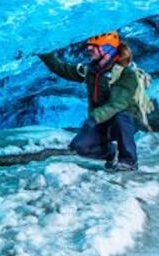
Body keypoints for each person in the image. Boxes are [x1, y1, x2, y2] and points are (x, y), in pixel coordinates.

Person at [37, 32, 141, 171]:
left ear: (107, 49)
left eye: (94, 46)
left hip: (123, 121)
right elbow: (61, 69)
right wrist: (41, 52)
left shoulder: (126, 74)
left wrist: (94, 118)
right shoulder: (91, 72)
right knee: (79, 147)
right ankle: (110, 152)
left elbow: (117, 103)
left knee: (121, 116)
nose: (89, 49)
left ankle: (128, 160)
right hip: (101, 120)